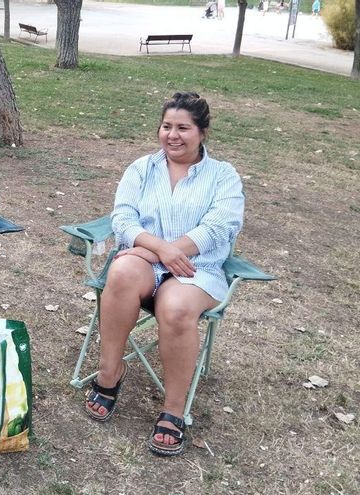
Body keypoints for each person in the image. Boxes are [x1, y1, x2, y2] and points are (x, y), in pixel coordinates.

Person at [82, 92, 244, 457]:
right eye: (167, 126)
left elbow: (220, 227)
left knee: (175, 310)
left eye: (183, 128)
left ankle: (173, 408)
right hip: (146, 261)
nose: (173, 135)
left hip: (195, 268)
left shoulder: (223, 176)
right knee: (121, 271)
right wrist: (159, 250)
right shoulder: (142, 168)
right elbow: (122, 219)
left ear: (202, 132)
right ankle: (110, 374)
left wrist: (168, 251)